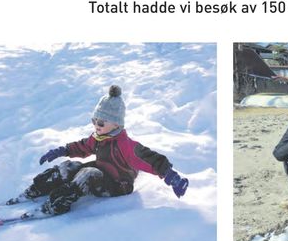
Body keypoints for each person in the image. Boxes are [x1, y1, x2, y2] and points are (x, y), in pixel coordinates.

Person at [29, 86, 189, 217]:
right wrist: (61, 151)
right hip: (102, 171)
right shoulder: (99, 137)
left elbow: (148, 158)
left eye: (101, 122)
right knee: (71, 166)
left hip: (119, 184)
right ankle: (39, 187)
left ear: (117, 125)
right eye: (94, 120)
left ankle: (57, 205)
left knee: (88, 173)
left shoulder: (125, 145)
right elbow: (83, 146)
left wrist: (170, 176)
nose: (96, 125)